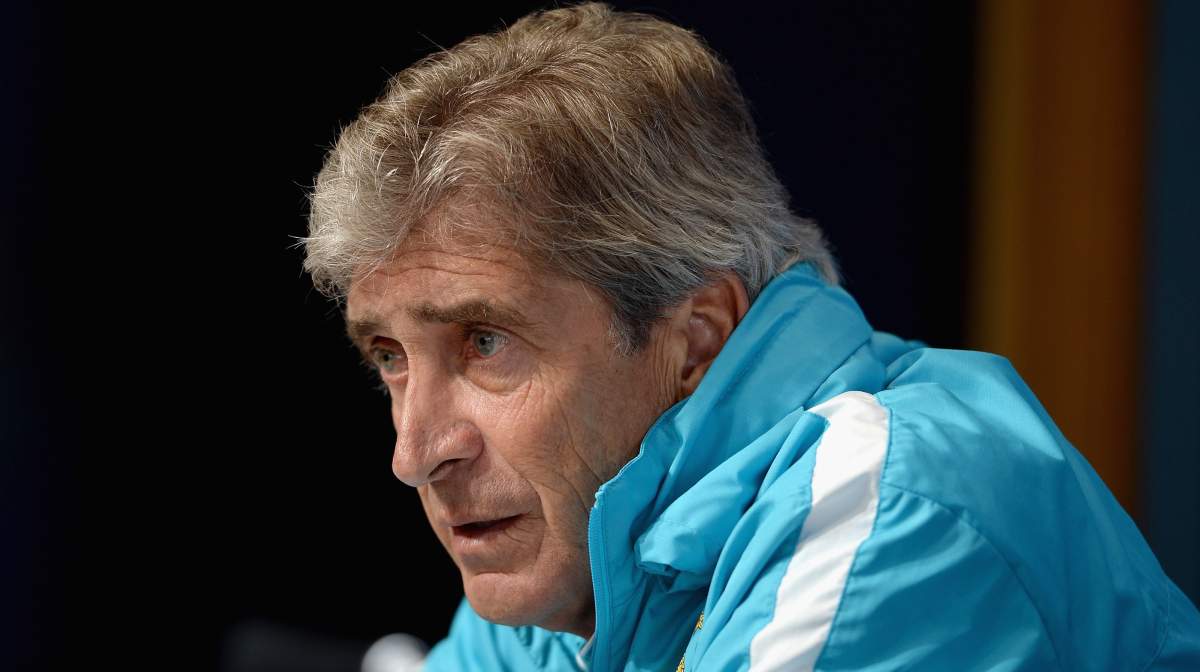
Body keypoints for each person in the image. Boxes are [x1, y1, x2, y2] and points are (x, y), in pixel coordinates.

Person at [301, 4, 1200, 670]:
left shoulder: (890, 513)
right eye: (390, 358)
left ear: (697, 339)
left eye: (483, 343)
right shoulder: (564, 565)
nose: (414, 454)